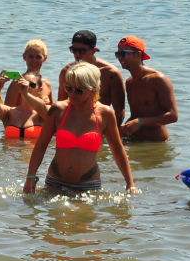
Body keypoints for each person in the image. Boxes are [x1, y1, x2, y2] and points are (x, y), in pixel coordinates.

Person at [24, 61, 136, 194]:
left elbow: (117, 149)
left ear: (93, 88)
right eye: (68, 88)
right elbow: (41, 146)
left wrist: (130, 184)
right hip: (55, 182)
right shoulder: (58, 110)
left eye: (78, 90)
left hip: (88, 186)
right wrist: (30, 177)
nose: (72, 94)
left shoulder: (105, 114)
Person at [114, 36, 177, 142]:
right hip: (134, 140)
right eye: (118, 54)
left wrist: (140, 122)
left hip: (156, 144)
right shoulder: (130, 82)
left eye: (124, 54)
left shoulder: (157, 79)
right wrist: (124, 128)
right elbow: (136, 114)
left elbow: (173, 116)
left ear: (138, 54)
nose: (120, 58)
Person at [57, 30, 125, 126]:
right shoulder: (66, 72)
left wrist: (111, 134)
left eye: (81, 51)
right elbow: (61, 106)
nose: (77, 54)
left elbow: (119, 111)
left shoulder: (110, 73)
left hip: (99, 126)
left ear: (93, 50)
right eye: (74, 50)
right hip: (72, 125)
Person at [0, 71, 47, 139]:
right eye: (24, 83)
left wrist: (26, 94)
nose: (27, 86)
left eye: (32, 85)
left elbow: (42, 108)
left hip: (33, 149)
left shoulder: (43, 113)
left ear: (39, 90)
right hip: (11, 149)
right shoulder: (9, 112)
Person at [4, 38, 53, 110]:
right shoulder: (17, 83)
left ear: (45, 58)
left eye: (38, 57)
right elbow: (7, 115)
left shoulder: (47, 84)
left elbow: (52, 116)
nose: (34, 61)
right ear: (24, 57)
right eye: (31, 56)